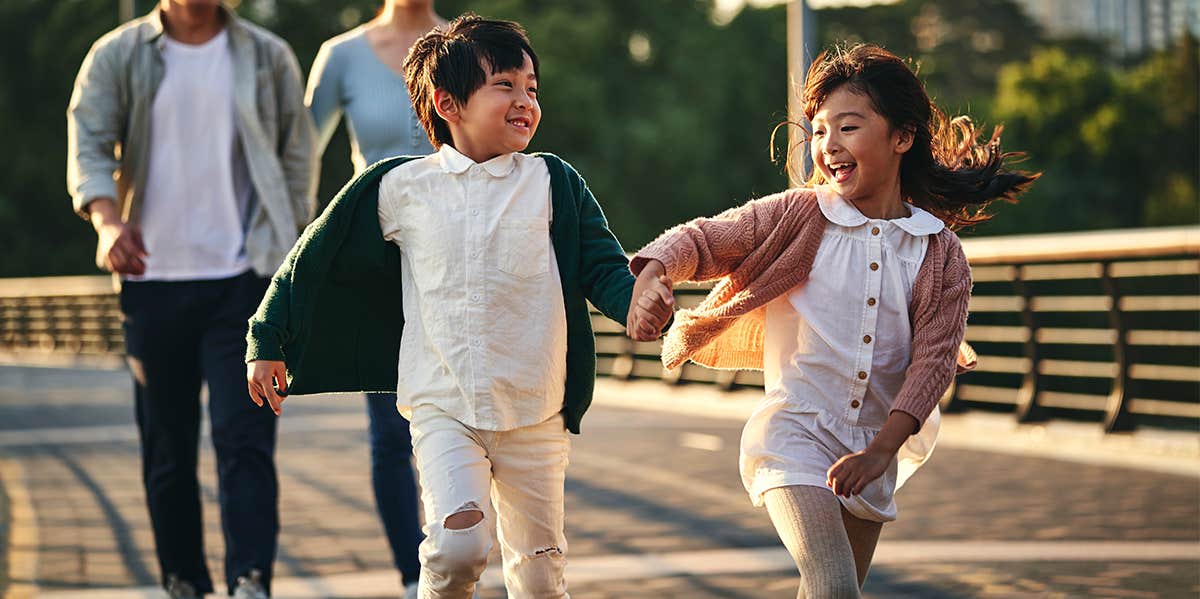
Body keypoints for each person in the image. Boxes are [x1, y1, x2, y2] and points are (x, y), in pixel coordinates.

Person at [245, 14, 672, 599]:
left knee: (542, 575)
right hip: (443, 406)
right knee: (456, 549)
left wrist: (637, 306)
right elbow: (310, 260)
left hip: (535, 409)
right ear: (448, 103)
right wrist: (267, 341)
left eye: (532, 89)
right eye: (506, 85)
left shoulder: (553, 182)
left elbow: (601, 265)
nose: (526, 101)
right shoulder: (398, 187)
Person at [627, 43, 1035, 598]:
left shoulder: (938, 253)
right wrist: (654, 272)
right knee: (834, 584)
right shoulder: (800, 216)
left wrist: (881, 450)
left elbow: (934, 362)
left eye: (847, 127)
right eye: (818, 131)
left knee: (833, 592)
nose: (829, 146)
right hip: (795, 430)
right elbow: (704, 238)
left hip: (875, 443)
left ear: (902, 137)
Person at [66, 0, 316, 597]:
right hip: (152, 281)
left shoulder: (267, 55)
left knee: (245, 439)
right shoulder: (117, 54)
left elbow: (297, 157)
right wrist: (106, 222)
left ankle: (250, 579)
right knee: (168, 445)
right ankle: (183, 578)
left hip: (246, 281)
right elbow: (90, 143)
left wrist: (289, 249)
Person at [305, 2, 447, 595]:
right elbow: (294, 156)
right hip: (379, 264)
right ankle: (415, 579)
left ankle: (460, 556)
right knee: (390, 433)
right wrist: (303, 256)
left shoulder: (467, 41)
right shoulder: (341, 57)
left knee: (473, 419)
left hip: (461, 261)